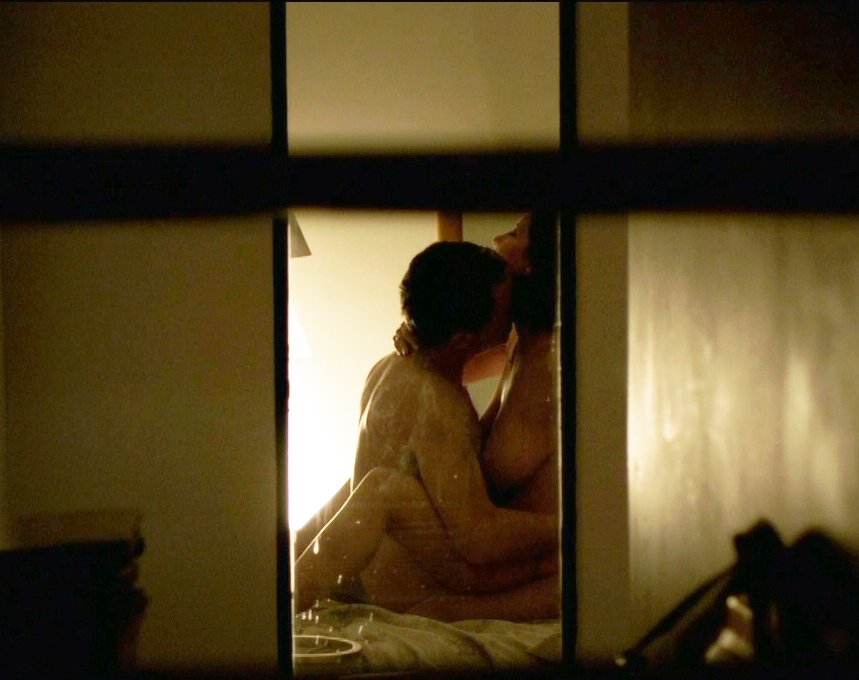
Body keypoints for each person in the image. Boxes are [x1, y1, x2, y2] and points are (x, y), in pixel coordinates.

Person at [294, 241, 558, 618]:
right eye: (505, 311)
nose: (511, 315)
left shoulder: (390, 365)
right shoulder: (438, 405)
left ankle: (286, 582)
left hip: (379, 565)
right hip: (403, 582)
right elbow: (478, 538)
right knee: (381, 487)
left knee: (371, 484)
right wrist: (566, 526)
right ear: (463, 339)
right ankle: (283, 604)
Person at [386, 211, 560, 619]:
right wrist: (422, 334)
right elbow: (455, 357)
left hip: (540, 565)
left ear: (533, 263)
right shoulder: (521, 340)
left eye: (515, 233)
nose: (499, 238)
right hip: (493, 553)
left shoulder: (556, 362)